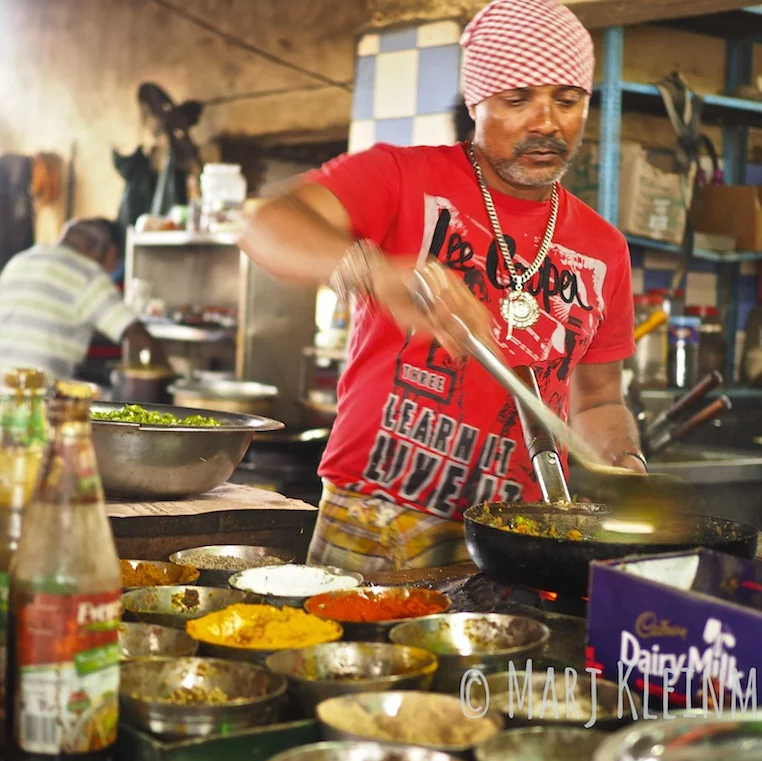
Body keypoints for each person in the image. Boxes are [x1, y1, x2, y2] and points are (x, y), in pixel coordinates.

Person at [240, 0, 646, 573]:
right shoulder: (401, 176)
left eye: (567, 100)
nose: (547, 122)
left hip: (519, 532)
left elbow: (600, 399)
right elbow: (266, 227)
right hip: (375, 512)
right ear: (477, 100)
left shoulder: (605, 248)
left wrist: (623, 461)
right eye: (518, 99)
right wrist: (377, 270)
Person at [0, 217, 166, 385]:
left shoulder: (19, 261)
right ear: (110, 252)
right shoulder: (88, 274)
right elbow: (133, 332)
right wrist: (168, 377)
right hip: (31, 399)